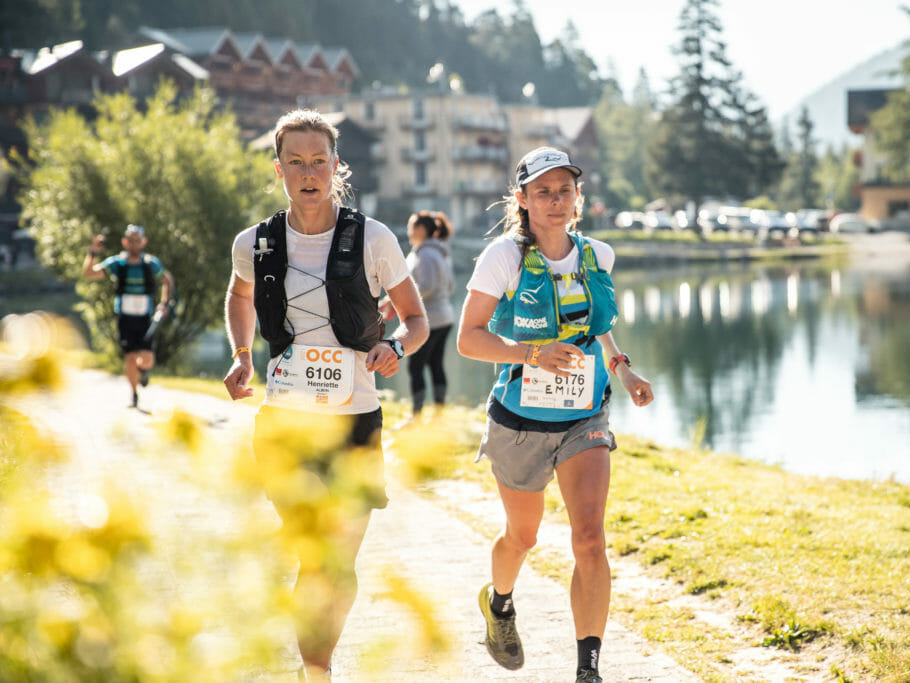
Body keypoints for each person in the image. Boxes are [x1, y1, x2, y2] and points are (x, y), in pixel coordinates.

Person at [221, 109, 428, 680]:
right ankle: (317, 671)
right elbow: (239, 296)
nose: (308, 173)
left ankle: (317, 666)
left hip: (354, 421)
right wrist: (242, 354)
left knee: (335, 563)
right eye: (296, 162)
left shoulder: (374, 238)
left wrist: (395, 347)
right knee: (316, 551)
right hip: (285, 422)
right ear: (279, 169)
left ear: (337, 166)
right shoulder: (255, 242)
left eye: (318, 161)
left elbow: (415, 320)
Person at [456, 147, 654, 683]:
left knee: (589, 538)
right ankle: (499, 602)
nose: (555, 200)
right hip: (519, 421)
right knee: (522, 537)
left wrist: (622, 368)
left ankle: (588, 670)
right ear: (522, 199)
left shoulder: (598, 255)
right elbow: (468, 339)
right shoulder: (504, 258)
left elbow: (596, 324)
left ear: (578, 196)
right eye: (543, 191)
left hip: (584, 417)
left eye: (565, 189)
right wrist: (531, 353)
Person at [83, 224, 175, 408]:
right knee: (130, 357)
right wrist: (93, 253)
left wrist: (164, 303)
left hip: (145, 319)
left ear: (143, 242)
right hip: (125, 319)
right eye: (131, 241)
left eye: (137, 241)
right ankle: (134, 394)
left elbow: (167, 280)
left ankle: (143, 369)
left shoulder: (150, 264)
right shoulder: (118, 264)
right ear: (125, 242)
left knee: (147, 359)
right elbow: (89, 273)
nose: (134, 244)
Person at [382, 211, 456, 420]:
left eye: (411, 226)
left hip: (429, 321)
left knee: (416, 367)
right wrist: (394, 301)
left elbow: (426, 286)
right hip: (445, 317)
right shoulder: (441, 252)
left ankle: (416, 417)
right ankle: (438, 415)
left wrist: (398, 300)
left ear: (421, 230)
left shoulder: (424, 254)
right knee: (436, 365)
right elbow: (450, 286)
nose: (408, 231)